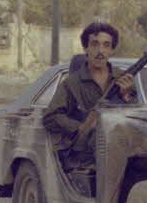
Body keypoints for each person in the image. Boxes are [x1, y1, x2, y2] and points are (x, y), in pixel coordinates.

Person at [44, 21, 136, 193]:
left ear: (112, 50)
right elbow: (50, 117)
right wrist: (81, 126)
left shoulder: (123, 79)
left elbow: (136, 116)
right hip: (85, 151)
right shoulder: (72, 83)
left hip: (120, 145)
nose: (100, 51)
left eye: (106, 45)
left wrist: (127, 96)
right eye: (94, 44)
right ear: (86, 49)